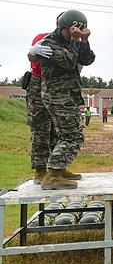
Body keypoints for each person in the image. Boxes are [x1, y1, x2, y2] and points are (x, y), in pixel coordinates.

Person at [31, 10, 95, 189]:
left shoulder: (70, 41)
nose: (74, 35)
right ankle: (52, 174)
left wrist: (84, 41)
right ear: (64, 27)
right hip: (56, 96)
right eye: (73, 31)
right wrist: (75, 41)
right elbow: (68, 62)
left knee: (65, 134)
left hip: (68, 96)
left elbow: (87, 59)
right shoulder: (48, 43)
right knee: (72, 135)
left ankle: (57, 169)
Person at [25, 30, 55, 184]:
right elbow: (31, 58)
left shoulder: (72, 43)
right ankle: (40, 171)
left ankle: (56, 170)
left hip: (57, 86)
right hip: (38, 84)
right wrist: (32, 51)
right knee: (40, 130)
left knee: (57, 131)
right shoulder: (43, 38)